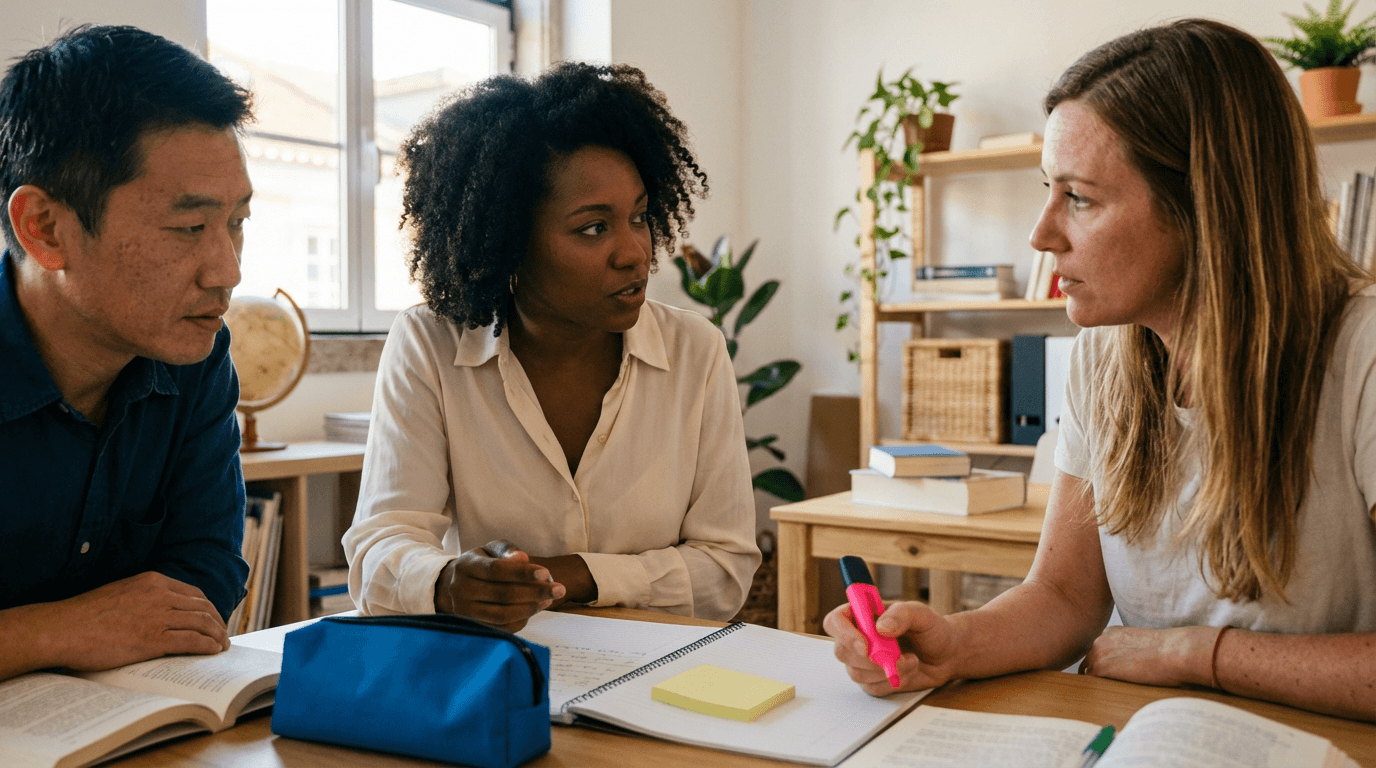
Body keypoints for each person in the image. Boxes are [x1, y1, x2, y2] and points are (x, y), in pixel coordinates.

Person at [827, 18, 1376, 722]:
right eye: (1048, 189)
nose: (1040, 234)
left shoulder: (1361, 353)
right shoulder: (1102, 357)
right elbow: (1064, 597)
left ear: (1206, 208)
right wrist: (953, 644)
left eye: (1079, 198)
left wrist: (1196, 654)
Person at [344, 62, 761, 631]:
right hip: (503, 665)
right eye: (593, 228)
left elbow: (725, 571)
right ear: (508, 242)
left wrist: (573, 574)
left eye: (639, 217)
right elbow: (380, 545)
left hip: (661, 663)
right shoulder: (431, 345)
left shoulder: (696, 351)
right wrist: (446, 581)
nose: (635, 253)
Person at [0, 25, 254, 682]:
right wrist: (57, 630)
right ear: (45, 229)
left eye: (236, 223)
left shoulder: (194, 354)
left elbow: (206, 571)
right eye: (189, 227)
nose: (227, 272)